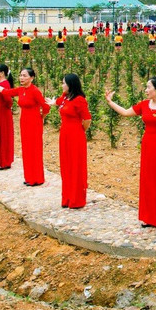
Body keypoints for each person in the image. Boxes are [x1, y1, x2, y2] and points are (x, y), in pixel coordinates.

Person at [106, 77, 156, 229]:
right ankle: (150, 217)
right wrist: (110, 102)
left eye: (148, 87)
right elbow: (125, 112)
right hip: (148, 145)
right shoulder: (144, 105)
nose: (145, 90)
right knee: (149, 180)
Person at [0, 67, 47, 186]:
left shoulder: (35, 91)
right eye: (20, 75)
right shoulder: (20, 90)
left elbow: (46, 107)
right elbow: (5, 92)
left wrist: (42, 118)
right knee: (26, 149)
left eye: (25, 76)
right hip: (24, 121)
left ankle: (37, 178)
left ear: (32, 78)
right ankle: (29, 177)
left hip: (34, 123)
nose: (22, 78)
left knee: (34, 150)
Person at [48, 73, 91, 209]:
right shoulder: (66, 97)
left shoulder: (79, 100)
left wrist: (80, 130)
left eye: (63, 83)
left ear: (70, 84)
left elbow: (87, 120)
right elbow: (58, 102)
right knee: (66, 165)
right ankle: (67, 197)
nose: (62, 85)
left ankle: (76, 199)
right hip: (65, 134)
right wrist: (52, 102)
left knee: (75, 165)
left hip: (76, 135)